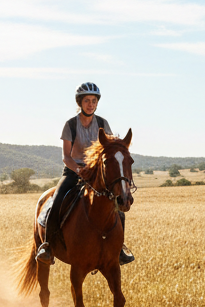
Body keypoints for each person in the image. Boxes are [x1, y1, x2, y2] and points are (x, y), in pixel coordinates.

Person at [35, 81, 133, 265]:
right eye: (87, 100)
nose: (91, 104)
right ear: (80, 102)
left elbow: (110, 149)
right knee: (57, 201)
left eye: (94, 101)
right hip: (74, 171)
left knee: (117, 207)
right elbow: (66, 156)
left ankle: (119, 248)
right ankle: (47, 246)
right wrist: (80, 170)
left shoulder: (103, 123)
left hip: (97, 174)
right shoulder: (70, 125)